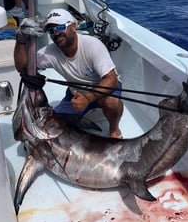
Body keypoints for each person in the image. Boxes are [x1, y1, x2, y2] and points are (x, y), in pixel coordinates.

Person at [14, 8, 124, 138]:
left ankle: (114, 130)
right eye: (51, 31)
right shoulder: (50, 52)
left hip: (103, 89)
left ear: (73, 26)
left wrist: (88, 98)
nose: (56, 33)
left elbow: (111, 79)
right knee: (56, 124)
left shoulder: (92, 45)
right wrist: (21, 38)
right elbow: (23, 68)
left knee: (111, 102)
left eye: (60, 27)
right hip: (75, 93)